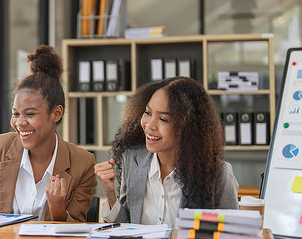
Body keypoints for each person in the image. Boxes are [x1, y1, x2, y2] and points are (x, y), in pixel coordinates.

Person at [0, 45, 97, 222]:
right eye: (16, 114)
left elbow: (77, 230)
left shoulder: (82, 163)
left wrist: (57, 207)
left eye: (30, 114)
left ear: (56, 113)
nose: (19, 123)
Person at [95, 77, 239, 225]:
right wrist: (110, 193)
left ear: (188, 127)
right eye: (148, 113)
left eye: (163, 119)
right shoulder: (133, 158)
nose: (149, 125)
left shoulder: (218, 173)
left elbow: (232, 235)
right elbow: (127, 226)